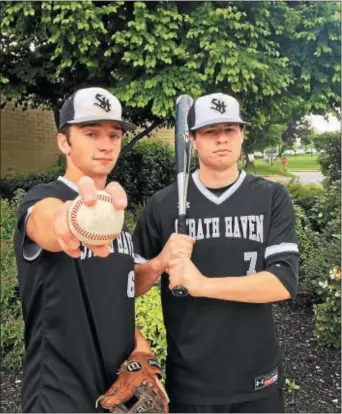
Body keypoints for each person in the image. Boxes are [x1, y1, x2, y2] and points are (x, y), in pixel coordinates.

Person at [133, 92, 299, 413]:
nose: (221, 139)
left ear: (241, 135)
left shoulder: (271, 197)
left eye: (230, 129)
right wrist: (160, 262)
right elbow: (131, 285)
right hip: (192, 382)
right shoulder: (163, 205)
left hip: (257, 379)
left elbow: (283, 282)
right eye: (210, 131)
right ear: (193, 139)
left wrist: (201, 284)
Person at [13, 87, 158, 413]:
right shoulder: (41, 199)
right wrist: (66, 220)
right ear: (64, 141)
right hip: (58, 395)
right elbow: (46, 222)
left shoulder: (113, 215)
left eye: (114, 134)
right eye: (91, 133)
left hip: (116, 393)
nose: (106, 144)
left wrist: (161, 264)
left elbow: (124, 287)